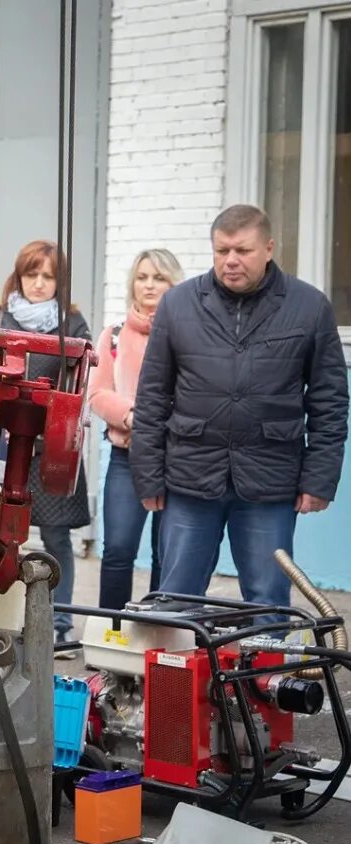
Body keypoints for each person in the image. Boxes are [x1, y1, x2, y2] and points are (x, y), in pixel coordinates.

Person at [131, 204, 348, 609]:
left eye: (242, 251)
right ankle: (178, 674)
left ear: (268, 248)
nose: (230, 261)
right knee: (176, 598)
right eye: (221, 251)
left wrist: (319, 479)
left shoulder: (309, 307)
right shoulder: (178, 305)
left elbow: (329, 400)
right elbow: (152, 398)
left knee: (268, 600)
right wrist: (148, 476)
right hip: (190, 478)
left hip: (271, 481)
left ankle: (264, 674)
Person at [0, 240, 91, 655]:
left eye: (48, 276)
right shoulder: (1, 318)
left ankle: (61, 622)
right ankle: (5, 618)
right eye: (30, 274)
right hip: (4, 443)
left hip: (51, 446)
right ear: (18, 277)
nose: (38, 284)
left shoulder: (72, 325)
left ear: (61, 281)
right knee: (2, 532)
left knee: (57, 539)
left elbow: (83, 374)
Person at [88, 249, 183, 610]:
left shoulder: (188, 333)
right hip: (127, 457)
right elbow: (97, 394)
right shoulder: (113, 336)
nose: (149, 285)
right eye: (142, 277)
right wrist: (135, 418)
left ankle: (161, 635)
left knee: (168, 555)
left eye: (159, 278)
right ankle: (111, 634)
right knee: (118, 550)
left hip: (178, 458)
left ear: (174, 283)